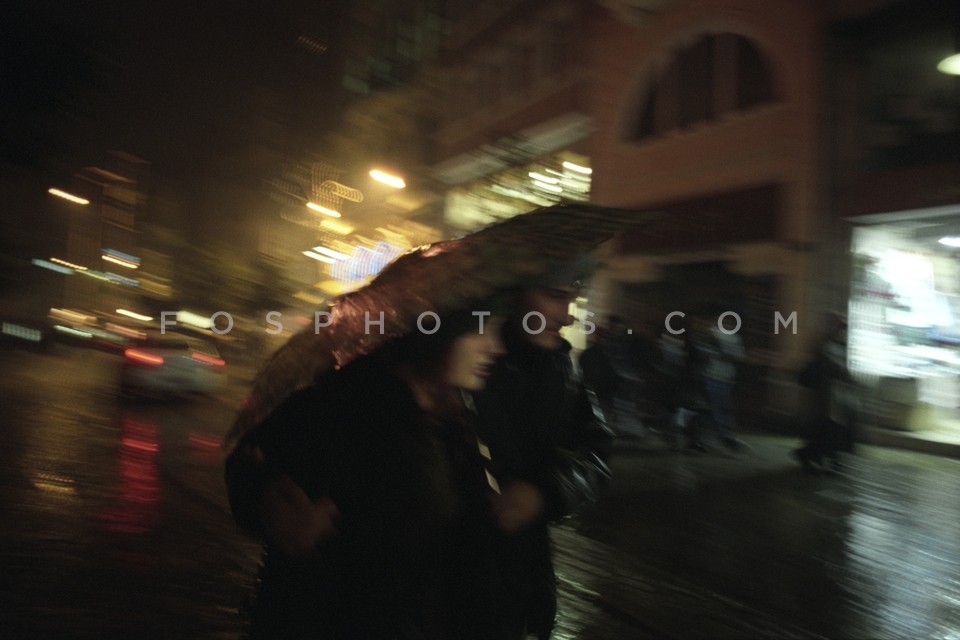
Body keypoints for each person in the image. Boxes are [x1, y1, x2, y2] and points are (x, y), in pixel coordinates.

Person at [225, 306, 509, 639]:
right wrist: (267, 496)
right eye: (480, 330)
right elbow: (254, 461)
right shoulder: (342, 407)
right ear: (437, 332)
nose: (496, 347)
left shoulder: (457, 419)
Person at [473, 261, 613, 640]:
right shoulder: (463, 362)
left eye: (571, 300)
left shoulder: (562, 369)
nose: (567, 317)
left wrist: (546, 490)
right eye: (555, 297)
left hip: (524, 581)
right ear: (514, 294)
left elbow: (595, 449)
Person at [793, 313, 857, 474]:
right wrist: (844, 374)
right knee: (827, 428)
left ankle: (828, 458)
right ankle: (811, 455)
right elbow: (829, 365)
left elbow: (841, 366)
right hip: (826, 395)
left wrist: (847, 378)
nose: (841, 331)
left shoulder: (840, 345)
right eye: (839, 327)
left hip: (838, 396)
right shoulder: (823, 344)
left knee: (834, 429)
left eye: (843, 328)